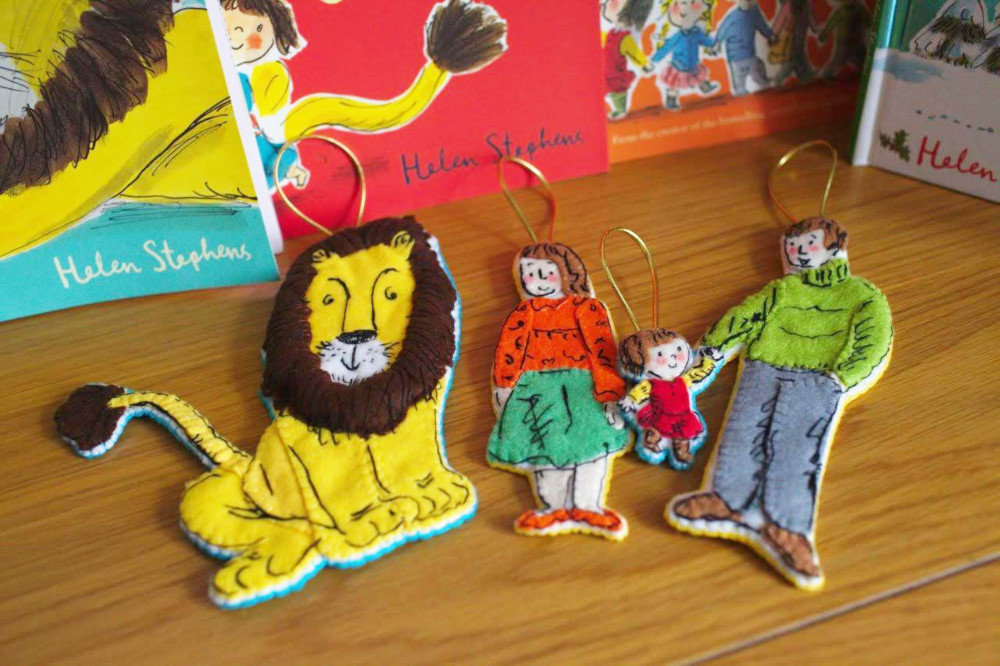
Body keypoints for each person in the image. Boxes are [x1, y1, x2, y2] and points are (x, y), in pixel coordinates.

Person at [669, 217, 893, 585]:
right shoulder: (781, 290)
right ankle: (725, 499)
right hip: (762, 368)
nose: (799, 251)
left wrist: (844, 376)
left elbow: (874, 337)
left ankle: (788, 528)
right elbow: (746, 316)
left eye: (810, 243)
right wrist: (713, 347)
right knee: (742, 432)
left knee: (798, 447)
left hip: (819, 378)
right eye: (793, 245)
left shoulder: (862, 293)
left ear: (836, 247)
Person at [488, 243, 630, 539]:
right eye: (529, 274)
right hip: (536, 389)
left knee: (592, 446)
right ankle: (553, 507)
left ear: (566, 274)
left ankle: (588, 505)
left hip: (584, 386)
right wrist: (505, 386)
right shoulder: (523, 313)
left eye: (544, 273)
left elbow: (602, 350)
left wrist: (610, 393)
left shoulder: (587, 308)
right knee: (544, 449)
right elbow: (510, 352)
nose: (536, 280)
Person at [619, 329, 716, 468]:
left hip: (683, 415)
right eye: (660, 354)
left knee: (684, 432)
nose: (673, 357)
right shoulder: (651, 383)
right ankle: (653, 438)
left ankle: (680, 450)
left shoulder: (684, 380)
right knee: (659, 427)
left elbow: (698, 373)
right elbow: (640, 392)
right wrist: (630, 401)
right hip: (660, 414)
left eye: (678, 349)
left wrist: (709, 360)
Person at [646, 0, 720, 110]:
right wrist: (654, 59)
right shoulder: (677, 36)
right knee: (674, 84)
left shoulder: (697, 32)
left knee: (700, 76)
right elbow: (665, 48)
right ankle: (671, 99)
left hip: (693, 64)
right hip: (678, 67)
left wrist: (715, 43)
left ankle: (705, 86)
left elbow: (706, 40)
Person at [602, 0, 657, 119]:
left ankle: (620, 110)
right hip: (606, 72)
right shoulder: (612, 32)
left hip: (616, 75)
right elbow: (603, 40)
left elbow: (635, 53)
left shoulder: (624, 38)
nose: (606, 3)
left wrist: (644, 64)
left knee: (617, 94)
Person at [710, 0, 777, 96]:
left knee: (758, 69)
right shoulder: (733, 16)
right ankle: (740, 93)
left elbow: (762, 25)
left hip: (750, 54)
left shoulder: (754, 13)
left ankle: (763, 82)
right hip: (735, 57)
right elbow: (722, 30)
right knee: (739, 82)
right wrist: (717, 43)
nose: (748, 2)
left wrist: (770, 35)